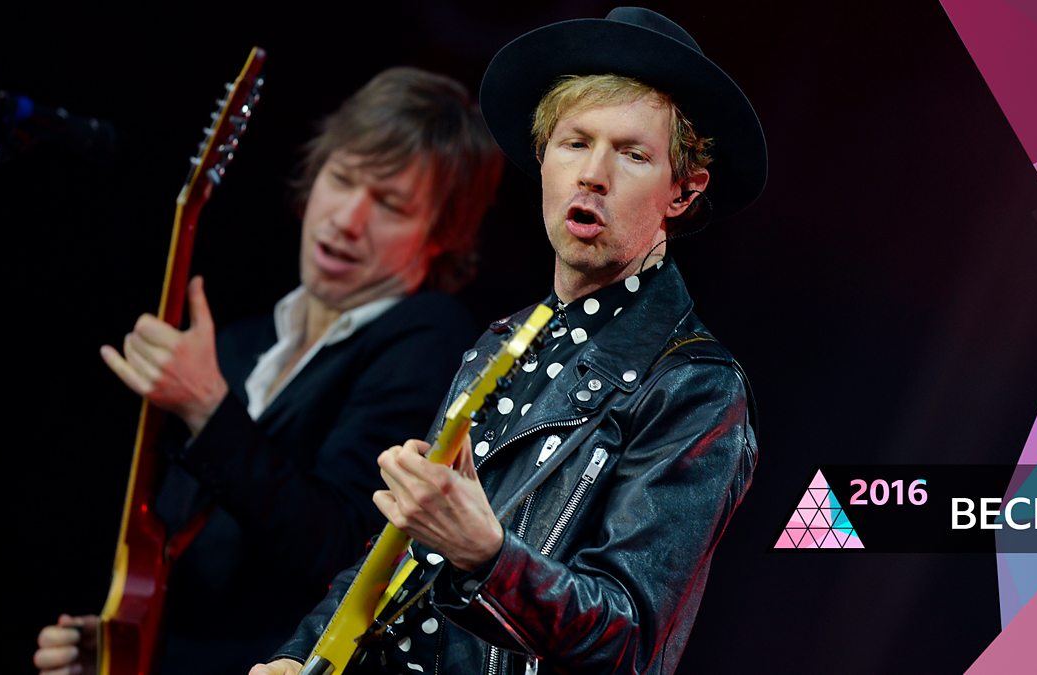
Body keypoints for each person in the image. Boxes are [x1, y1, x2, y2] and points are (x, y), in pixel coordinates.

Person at [254, 7, 766, 675]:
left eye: (633, 154)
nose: (593, 174)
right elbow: (395, 553)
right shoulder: (499, 342)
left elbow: (628, 638)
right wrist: (299, 654)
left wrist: (487, 556)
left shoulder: (696, 385)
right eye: (575, 143)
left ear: (683, 191)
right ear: (543, 158)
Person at [32, 66, 505, 675]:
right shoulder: (238, 345)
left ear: (441, 233)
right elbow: (190, 568)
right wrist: (120, 643)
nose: (347, 219)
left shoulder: (428, 335)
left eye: (390, 204)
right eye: (342, 179)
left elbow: (344, 549)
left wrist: (208, 409)